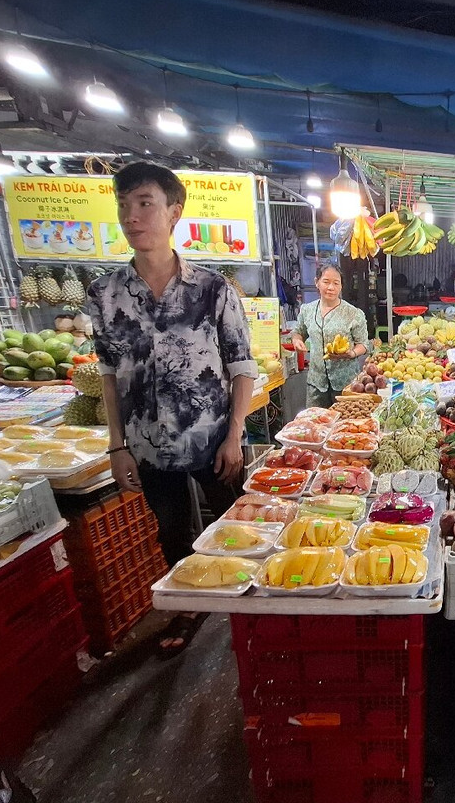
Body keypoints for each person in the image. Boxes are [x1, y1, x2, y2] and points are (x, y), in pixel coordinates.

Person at [87, 161, 257, 657]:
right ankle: (188, 605)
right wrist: (116, 445)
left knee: (236, 525)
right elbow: (109, 373)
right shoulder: (105, 294)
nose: (132, 217)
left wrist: (234, 433)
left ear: (173, 212)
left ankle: (243, 607)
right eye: (124, 206)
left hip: (211, 437)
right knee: (170, 530)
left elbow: (241, 365)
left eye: (144, 204)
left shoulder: (211, 290)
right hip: (144, 441)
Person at [290, 263, 368, 407]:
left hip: (346, 384)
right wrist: (297, 340)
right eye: (326, 282)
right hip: (316, 384)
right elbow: (298, 332)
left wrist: (351, 353)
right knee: (316, 424)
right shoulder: (307, 310)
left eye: (336, 283)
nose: (330, 287)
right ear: (317, 282)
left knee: (348, 424)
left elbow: (363, 344)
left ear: (341, 286)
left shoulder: (353, 313)